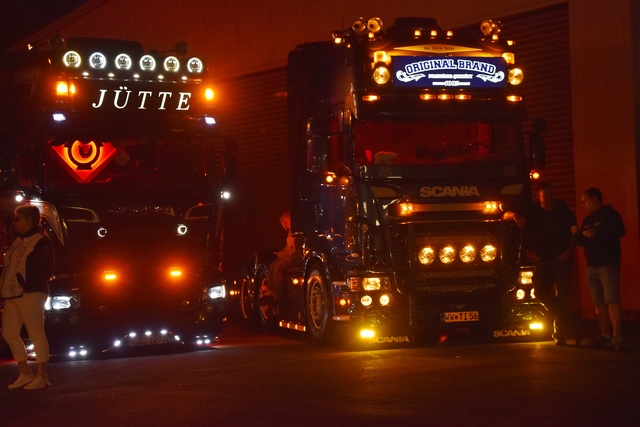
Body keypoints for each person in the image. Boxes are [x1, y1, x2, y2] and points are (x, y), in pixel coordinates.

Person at [1, 205, 54, 389]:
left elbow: (46, 268)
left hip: (30, 293)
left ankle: (42, 375)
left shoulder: (40, 241)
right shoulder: (18, 241)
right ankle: (25, 372)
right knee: (9, 332)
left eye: (18, 218)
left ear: (29, 220)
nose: (14, 222)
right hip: (12, 293)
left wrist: (28, 284)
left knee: (36, 332)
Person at [525, 182, 581, 345]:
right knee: (540, 291)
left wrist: (567, 253)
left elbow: (574, 234)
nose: (549, 197)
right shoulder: (534, 212)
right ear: (539, 196)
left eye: (551, 194)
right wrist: (515, 216)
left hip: (561, 258)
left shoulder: (563, 212)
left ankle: (560, 334)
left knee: (562, 294)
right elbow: (510, 215)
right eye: (545, 194)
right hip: (544, 259)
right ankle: (570, 320)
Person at [573, 187, 625, 349]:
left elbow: (620, 232)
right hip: (592, 265)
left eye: (585, 201)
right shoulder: (587, 219)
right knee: (598, 302)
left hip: (608, 263)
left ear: (595, 199)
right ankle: (605, 334)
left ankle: (617, 336)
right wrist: (577, 234)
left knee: (611, 300)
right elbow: (582, 241)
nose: (584, 205)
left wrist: (597, 233)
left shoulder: (611, 214)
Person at [262, 211, 299, 313]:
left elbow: (295, 249)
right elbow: (288, 246)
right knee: (273, 264)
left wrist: (285, 254)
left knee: (279, 266)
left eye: (285, 222)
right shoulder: (289, 232)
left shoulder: (296, 232)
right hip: (289, 253)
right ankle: (269, 290)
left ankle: (275, 293)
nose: (285, 225)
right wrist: (281, 252)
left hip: (295, 257)